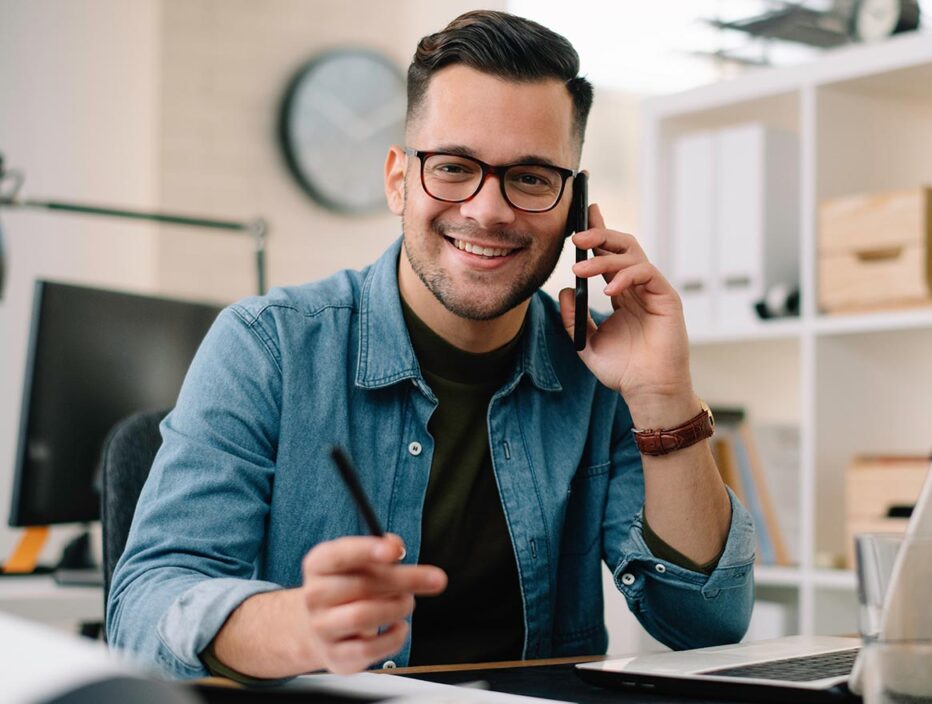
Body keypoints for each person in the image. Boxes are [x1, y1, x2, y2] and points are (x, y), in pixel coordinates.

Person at [107, 10, 754, 681]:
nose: (488, 209)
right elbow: (142, 609)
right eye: (453, 167)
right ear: (398, 180)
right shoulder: (267, 347)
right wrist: (298, 627)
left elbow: (706, 622)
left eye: (531, 177)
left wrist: (664, 398)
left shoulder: (599, 369)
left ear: (574, 205)